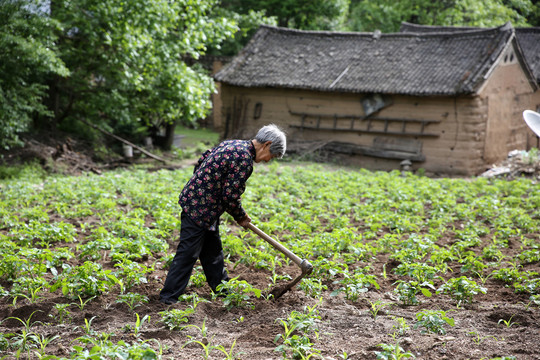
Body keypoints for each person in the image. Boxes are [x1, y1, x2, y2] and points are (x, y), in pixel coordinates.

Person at [159, 124, 287, 304]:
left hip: (203, 206)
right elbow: (230, 196)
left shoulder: (232, 144)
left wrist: (203, 187)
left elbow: (204, 158)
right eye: (271, 156)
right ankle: (168, 298)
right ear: (266, 144)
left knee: (212, 252)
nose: (267, 160)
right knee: (188, 253)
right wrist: (241, 216)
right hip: (199, 209)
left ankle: (224, 292)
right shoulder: (244, 160)